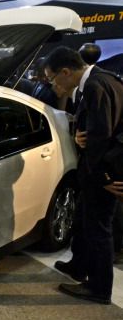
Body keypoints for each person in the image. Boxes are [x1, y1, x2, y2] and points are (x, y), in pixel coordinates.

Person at [45, 46, 123, 304]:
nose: (53, 84)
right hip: (101, 168)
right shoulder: (105, 78)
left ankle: (99, 289)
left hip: (103, 171)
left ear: (65, 72)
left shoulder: (94, 86)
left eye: (53, 78)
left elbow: (101, 136)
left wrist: (103, 178)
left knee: (98, 229)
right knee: (84, 220)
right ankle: (79, 265)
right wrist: (80, 135)